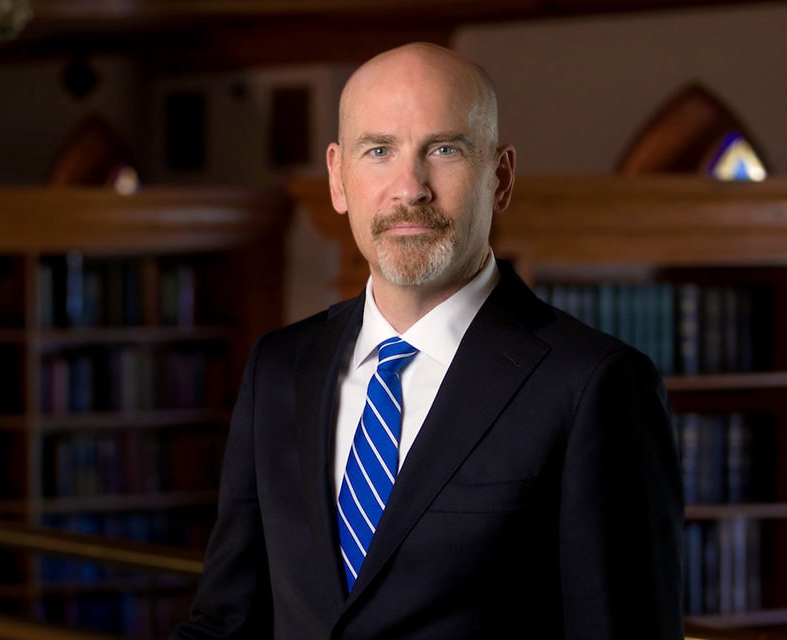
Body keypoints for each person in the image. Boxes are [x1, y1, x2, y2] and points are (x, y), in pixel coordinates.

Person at [171, 42, 683, 639]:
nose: (409, 187)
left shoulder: (594, 385)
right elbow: (228, 623)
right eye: (379, 150)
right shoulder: (280, 367)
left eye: (444, 149)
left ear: (501, 177)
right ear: (338, 178)